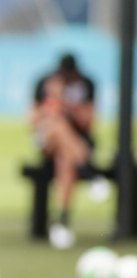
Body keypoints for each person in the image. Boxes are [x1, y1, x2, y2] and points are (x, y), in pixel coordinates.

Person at [30, 53, 98, 248]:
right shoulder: (44, 83)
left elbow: (88, 122)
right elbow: (32, 120)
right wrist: (52, 105)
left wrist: (65, 103)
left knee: (66, 160)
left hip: (72, 146)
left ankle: (62, 221)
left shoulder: (86, 85)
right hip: (47, 141)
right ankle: (88, 171)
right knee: (57, 126)